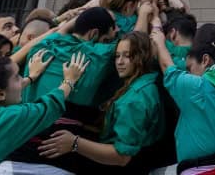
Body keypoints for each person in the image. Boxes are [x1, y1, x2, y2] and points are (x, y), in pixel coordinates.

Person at [38, 31, 164, 172]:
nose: (120, 62)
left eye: (128, 56)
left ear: (142, 57)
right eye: (117, 56)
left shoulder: (135, 100)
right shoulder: (141, 83)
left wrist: (74, 143)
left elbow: (122, 157)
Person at [150, 21, 215, 174]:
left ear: (205, 60)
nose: (188, 73)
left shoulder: (195, 86)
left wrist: (159, 43)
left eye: (189, 68)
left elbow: (167, 68)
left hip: (202, 169)